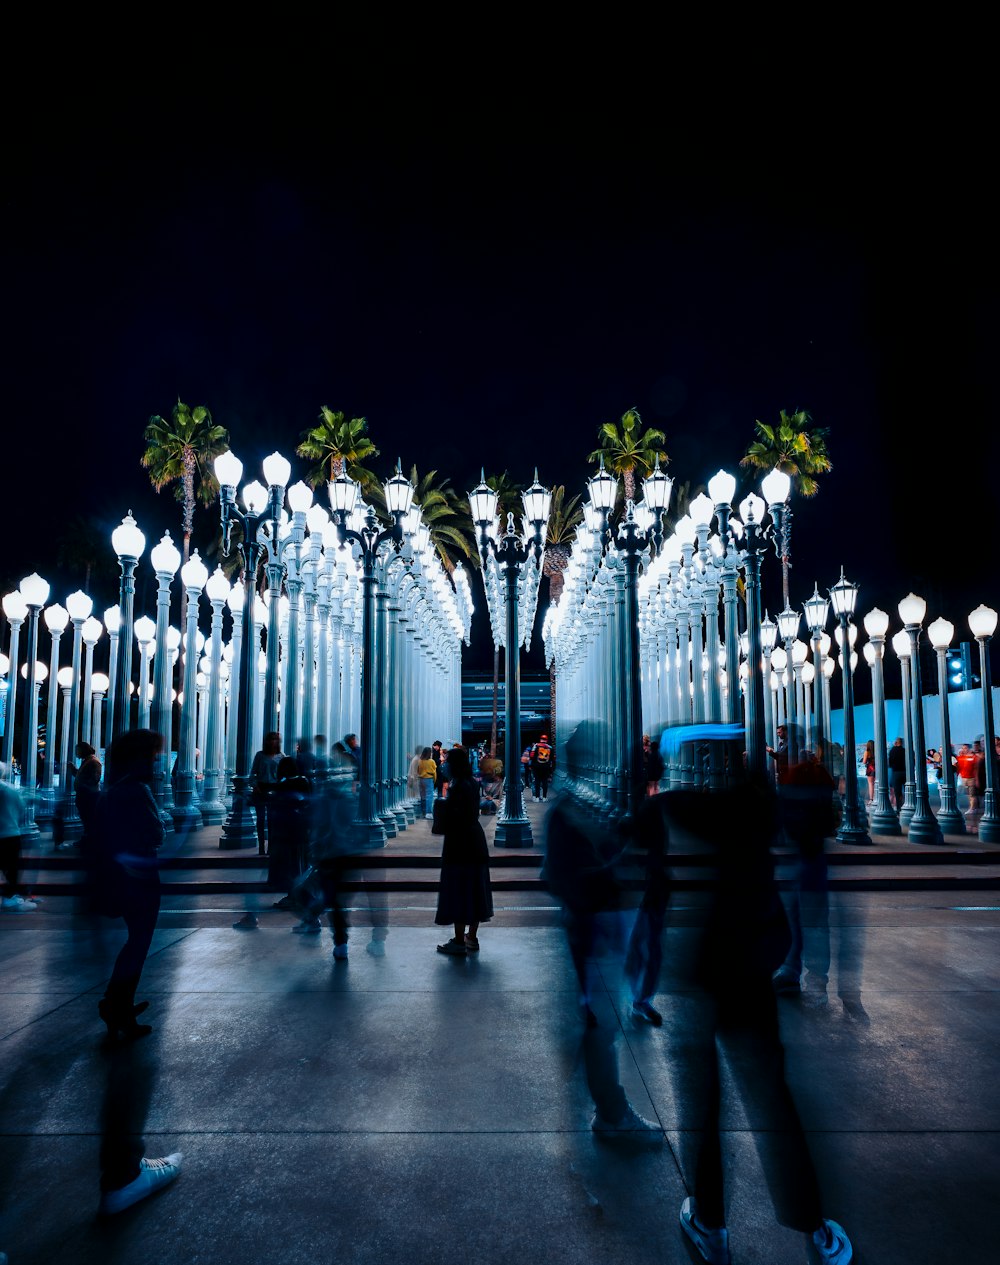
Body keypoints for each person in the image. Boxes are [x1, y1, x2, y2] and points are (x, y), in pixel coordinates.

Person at [662, 751, 854, 1265]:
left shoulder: (689, 811)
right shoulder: (758, 812)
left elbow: (656, 832)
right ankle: (814, 1229)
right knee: (772, 1102)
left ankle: (710, 1223)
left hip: (701, 970)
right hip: (747, 973)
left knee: (703, 1107)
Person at [93, 729, 165, 1041]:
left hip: (120, 872)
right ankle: (117, 1005)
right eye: (152, 755)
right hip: (141, 873)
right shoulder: (138, 790)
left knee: (134, 941)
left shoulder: (112, 790)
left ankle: (117, 1003)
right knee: (139, 942)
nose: (156, 761)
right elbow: (157, 832)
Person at [433, 746, 493, 955]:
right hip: (475, 839)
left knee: (458, 888)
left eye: (447, 761)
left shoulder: (457, 786)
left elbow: (455, 815)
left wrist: (441, 807)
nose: (445, 765)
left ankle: (459, 941)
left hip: (459, 842)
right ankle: (472, 938)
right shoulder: (472, 783)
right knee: (475, 888)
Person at [0, 767, 34, 911]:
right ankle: (9, 899)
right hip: (9, 833)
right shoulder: (9, 789)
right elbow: (21, 807)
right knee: (12, 867)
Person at [248, 731, 283, 857]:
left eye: (275, 739)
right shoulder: (260, 755)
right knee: (261, 819)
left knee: (272, 821)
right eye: (271, 739)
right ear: (267, 741)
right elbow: (252, 774)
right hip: (261, 788)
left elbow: (283, 775)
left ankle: (271, 847)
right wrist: (255, 786)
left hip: (274, 789)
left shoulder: (281, 756)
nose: (273, 742)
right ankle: (261, 847)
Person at [530, 733, 555, 802]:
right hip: (546, 767)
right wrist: (551, 768)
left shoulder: (536, 746)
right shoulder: (550, 747)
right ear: (546, 740)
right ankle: (544, 797)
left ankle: (537, 797)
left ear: (540, 739)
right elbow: (553, 759)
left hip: (536, 767)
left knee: (537, 781)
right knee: (544, 782)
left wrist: (532, 765)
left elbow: (531, 756)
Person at [417, 746, 437, 819]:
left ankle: (423, 812)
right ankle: (428, 813)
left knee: (423, 796)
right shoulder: (431, 761)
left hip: (421, 779)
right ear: (429, 753)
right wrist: (434, 780)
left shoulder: (420, 761)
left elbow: (418, 771)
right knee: (429, 796)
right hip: (428, 779)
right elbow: (434, 773)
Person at [888, 736, 907, 811]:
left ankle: (899, 808)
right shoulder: (905, 750)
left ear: (896, 742)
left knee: (897, 791)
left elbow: (890, 763)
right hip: (905, 772)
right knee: (907, 790)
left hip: (896, 772)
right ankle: (906, 804)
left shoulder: (892, 751)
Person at [862, 739, 876, 804]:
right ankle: (877, 798)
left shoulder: (867, 752)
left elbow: (864, 762)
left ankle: (871, 799)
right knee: (876, 784)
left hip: (870, 769)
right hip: (876, 769)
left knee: (871, 784)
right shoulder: (877, 751)